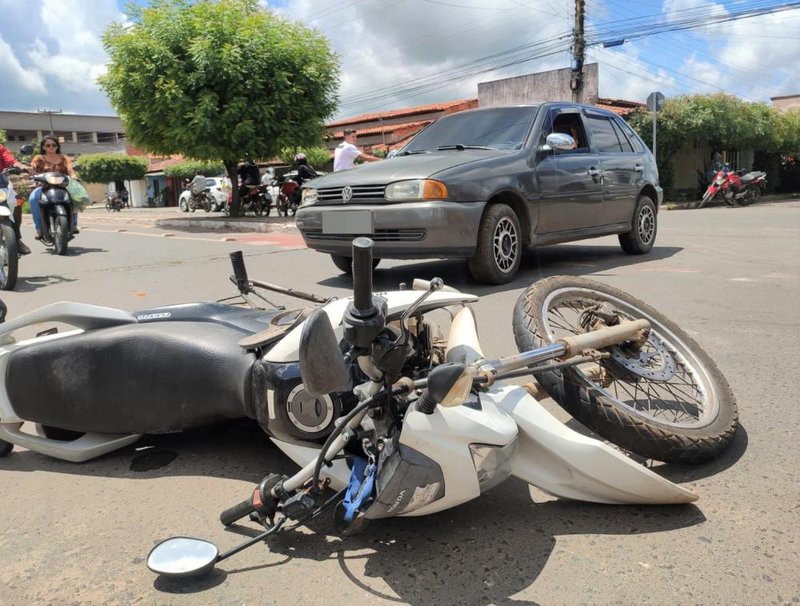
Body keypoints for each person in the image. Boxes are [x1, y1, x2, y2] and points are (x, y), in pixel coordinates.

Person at [29, 135, 79, 239]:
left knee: (75, 196)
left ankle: (74, 224)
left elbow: (70, 169)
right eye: (48, 145)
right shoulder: (39, 158)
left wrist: (74, 176)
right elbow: (32, 169)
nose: (51, 147)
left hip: (63, 186)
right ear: (43, 147)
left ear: (57, 146)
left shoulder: (64, 158)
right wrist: (30, 175)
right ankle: (38, 229)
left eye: (53, 145)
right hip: (43, 186)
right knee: (33, 199)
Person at [0, 144, 32, 254]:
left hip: (2, 185)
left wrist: (20, 165)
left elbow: (10, 159)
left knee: (17, 202)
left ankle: (16, 240)